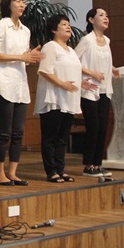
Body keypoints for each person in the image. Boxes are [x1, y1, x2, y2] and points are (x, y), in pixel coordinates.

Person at [0, 0, 40, 186]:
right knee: (5, 132)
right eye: (17, 1)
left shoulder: (25, 30)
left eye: (23, 1)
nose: (22, 4)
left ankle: (13, 172)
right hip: (4, 82)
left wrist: (31, 56)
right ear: (8, 4)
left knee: (18, 132)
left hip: (20, 84)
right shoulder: (2, 25)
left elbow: (24, 59)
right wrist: (21, 57)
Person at [35, 13, 95, 183]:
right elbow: (44, 71)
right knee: (50, 137)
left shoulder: (71, 51)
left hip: (68, 99)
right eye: (63, 24)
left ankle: (61, 169)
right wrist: (63, 84)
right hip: (53, 99)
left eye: (68, 24)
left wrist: (81, 83)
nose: (68, 27)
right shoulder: (50, 47)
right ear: (54, 29)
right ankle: (51, 171)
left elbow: (71, 72)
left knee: (62, 138)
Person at [76, 7, 119, 178]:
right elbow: (73, 61)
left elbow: (103, 60)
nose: (105, 18)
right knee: (93, 127)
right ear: (91, 20)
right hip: (89, 89)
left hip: (104, 89)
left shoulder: (107, 40)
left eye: (107, 15)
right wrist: (91, 73)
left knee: (102, 127)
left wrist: (112, 68)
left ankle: (98, 164)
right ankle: (88, 165)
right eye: (101, 15)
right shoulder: (87, 40)